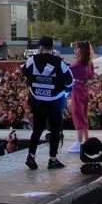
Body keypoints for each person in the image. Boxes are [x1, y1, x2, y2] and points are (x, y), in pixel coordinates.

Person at [21, 37, 74, 169]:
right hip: (54, 102)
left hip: (37, 101)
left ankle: (31, 156)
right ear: (52, 47)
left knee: (37, 130)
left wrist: (34, 84)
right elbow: (70, 80)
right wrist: (64, 92)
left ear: (41, 47)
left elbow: (24, 71)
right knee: (55, 131)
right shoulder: (59, 62)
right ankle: (53, 159)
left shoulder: (32, 59)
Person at [67, 41, 94, 153]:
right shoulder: (89, 63)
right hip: (84, 88)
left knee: (77, 113)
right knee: (83, 114)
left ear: (81, 50)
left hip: (77, 87)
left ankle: (79, 142)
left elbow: (66, 73)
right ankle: (86, 140)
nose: (75, 50)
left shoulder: (78, 63)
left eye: (77, 48)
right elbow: (91, 75)